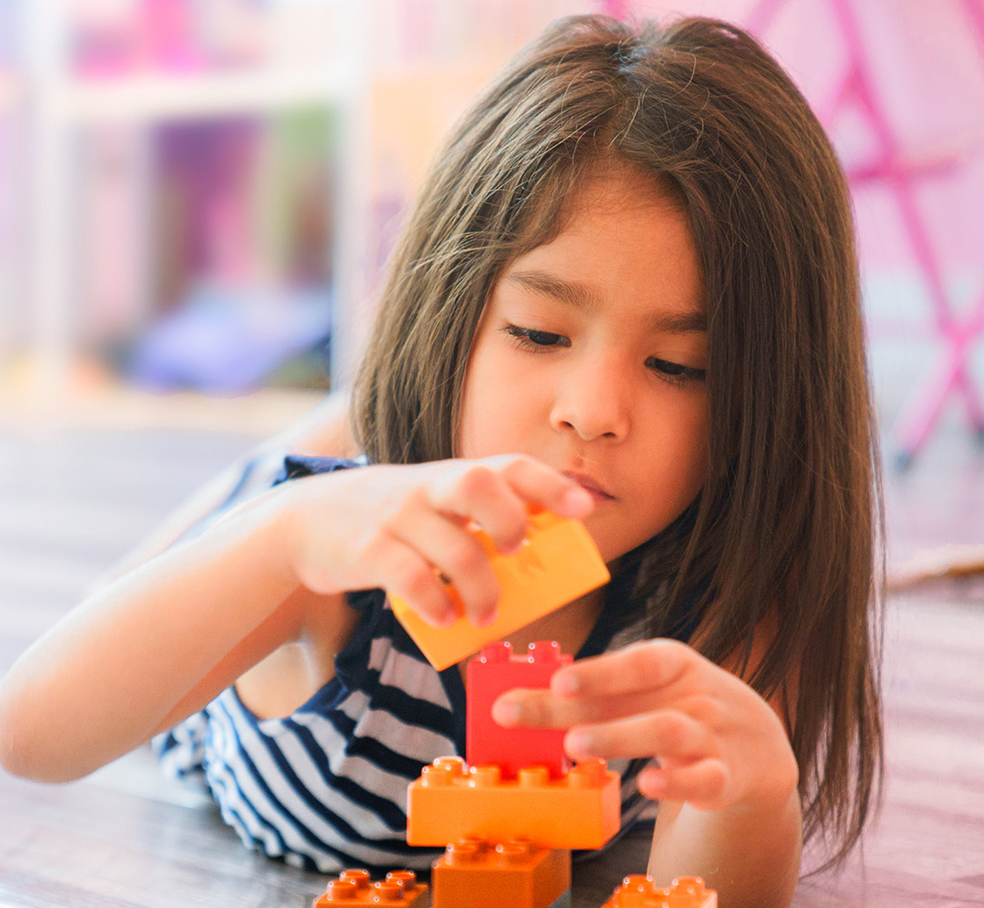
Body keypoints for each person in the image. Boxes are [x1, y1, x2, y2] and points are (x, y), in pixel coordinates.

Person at [0, 14, 883, 908]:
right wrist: (290, 532)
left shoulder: (724, 598)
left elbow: (707, 891)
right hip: (282, 567)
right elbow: (29, 733)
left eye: (680, 366)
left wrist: (755, 793)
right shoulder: (335, 562)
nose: (592, 412)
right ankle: (340, 429)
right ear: (452, 308)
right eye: (538, 333)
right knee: (234, 522)